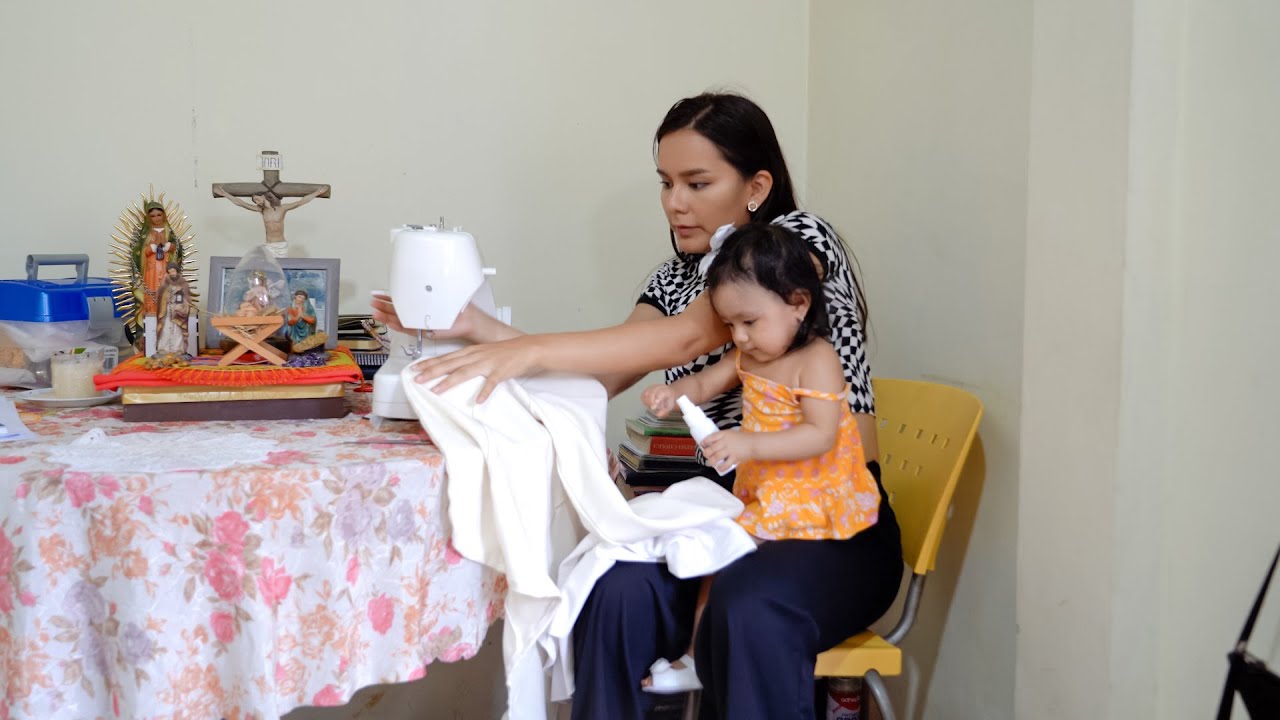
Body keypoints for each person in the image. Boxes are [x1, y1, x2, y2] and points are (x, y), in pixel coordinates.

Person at [373, 91, 903, 719]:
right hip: (733, 510)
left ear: (756, 187)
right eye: (666, 182)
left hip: (835, 522)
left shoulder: (795, 244)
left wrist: (525, 349)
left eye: (697, 183)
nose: (675, 202)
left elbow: (685, 339)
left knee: (748, 605)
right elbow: (603, 371)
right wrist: (476, 328)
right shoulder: (675, 278)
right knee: (613, 590)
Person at [635, 222, 884, 697]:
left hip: (813, 494)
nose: (740, 337)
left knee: (742, 573)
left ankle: (711, 658)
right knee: (719, 563)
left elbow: (821, 435)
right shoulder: (748, 356)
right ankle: (696, 656)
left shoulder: (817, 359)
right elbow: (705, 383)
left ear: (798, 304)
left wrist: (746, 444)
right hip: (766, 492)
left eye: (749, 322)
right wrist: (674, 393)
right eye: (731, 325)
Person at [213, 185, 329, 258]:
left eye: (257, 199)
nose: (257, 202)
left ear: (263, 196)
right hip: (269, 246)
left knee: (282, 271)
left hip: (281, 246)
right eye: (255, 201)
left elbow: (301, 202)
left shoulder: (282, 209)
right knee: (268, 272)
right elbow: (241, 203)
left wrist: (317, 192)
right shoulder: (261, 211)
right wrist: (225, 194)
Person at [138, 202, 180, 316]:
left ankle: (166, 314)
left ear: (164, 215)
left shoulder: (169, 232)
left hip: (166, 265)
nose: (156, 218)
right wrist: (153, 247)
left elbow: (178, 249)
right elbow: (138, 252)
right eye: (153, 216)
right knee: (151, 288)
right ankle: (151, 314)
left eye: (159, 215)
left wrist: (167, 245)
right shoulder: (145, 233)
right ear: (148, 217)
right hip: (151, 268)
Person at [155, 264, 192, 355]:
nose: (172, 273)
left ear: (177, 271)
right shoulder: (165, 283)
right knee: (165, 330)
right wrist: (166, 298)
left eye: (173, 271)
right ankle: (164, 349)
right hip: (167, 312)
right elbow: (160, 297)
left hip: (178, 313)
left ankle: (178, 349)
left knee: (178, 331)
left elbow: (187, 298)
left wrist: (181, 301)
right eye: (170, 272)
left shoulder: (183, 283)